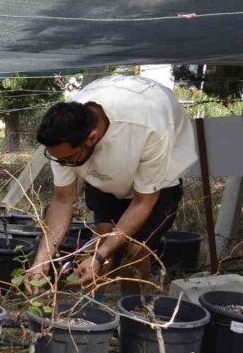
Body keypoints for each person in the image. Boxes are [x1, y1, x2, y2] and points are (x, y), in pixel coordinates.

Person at [25, 75, 197, 294]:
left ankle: (132, 310)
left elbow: (143, 202)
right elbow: (62, 200)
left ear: (92, 138)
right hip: (106, 170)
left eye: (67, 158)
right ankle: (92, 309)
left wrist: (98, 256)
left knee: (135, 250)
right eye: (55, 157)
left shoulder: (148, 127)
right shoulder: (65, 134)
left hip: (158, 179)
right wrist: (42, 260)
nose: (61, 164)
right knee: (102, 235)